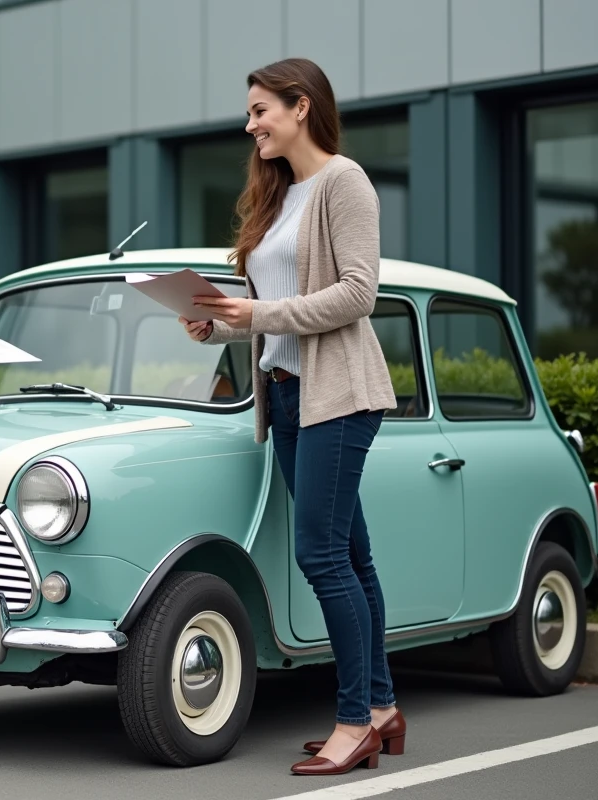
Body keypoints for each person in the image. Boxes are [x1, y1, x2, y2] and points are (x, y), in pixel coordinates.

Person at [180, 57, 403, 776]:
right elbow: (274, 314)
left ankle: (351, 723)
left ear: (300, 106)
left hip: (338, 395)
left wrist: (260, 311)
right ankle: (380, 707)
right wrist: (220, 327)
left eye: (260, 111)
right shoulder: (279, 194)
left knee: (320, 554)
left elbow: (357, 295)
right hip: (286, 396)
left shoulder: (345, 182)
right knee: (353, 557)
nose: (250, 127)